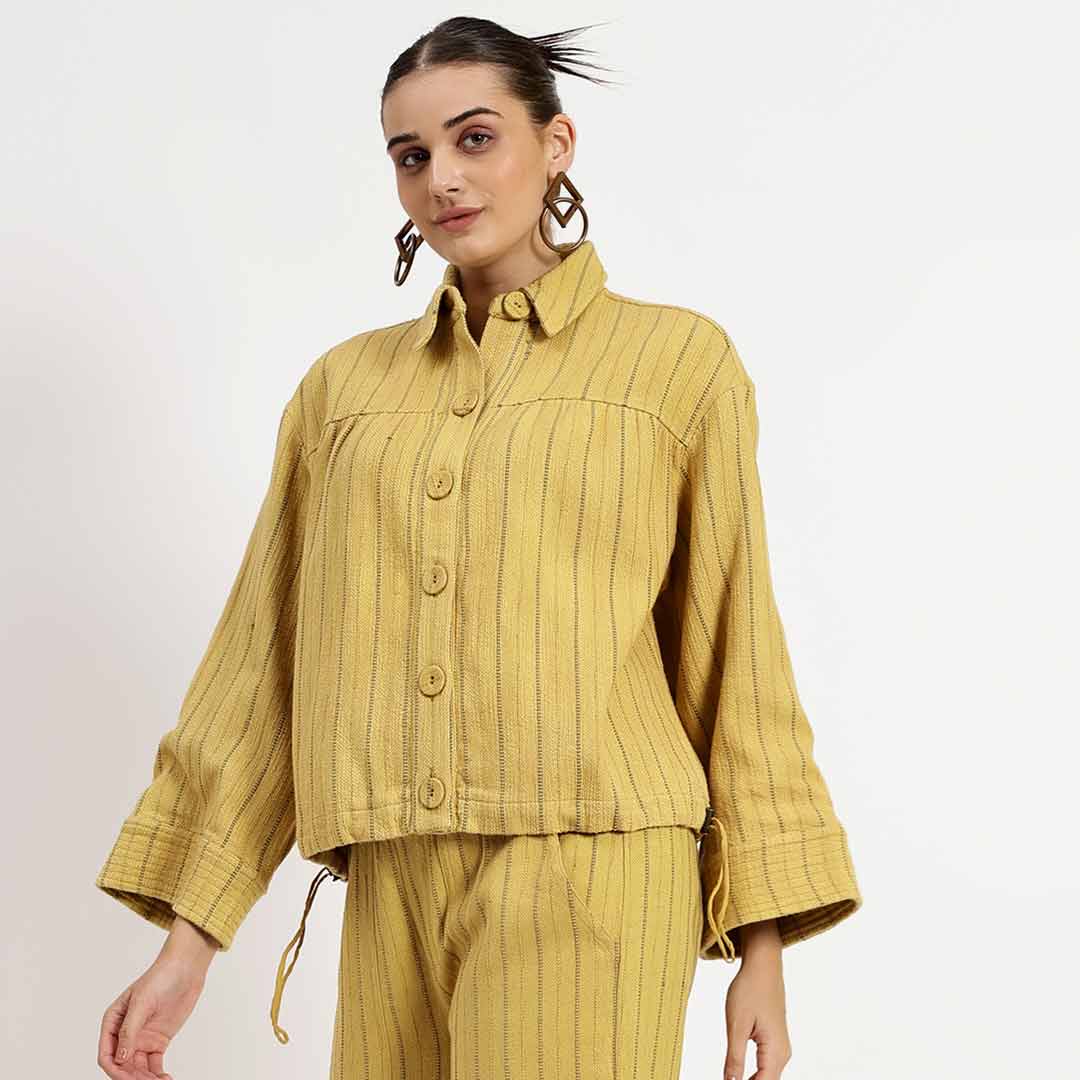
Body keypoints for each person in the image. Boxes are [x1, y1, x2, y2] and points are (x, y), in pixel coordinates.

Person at [95, 16, 863, 1080]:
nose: (441, 179)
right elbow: (262, 667)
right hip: (393, 880)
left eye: (475, 139)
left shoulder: (677, 364)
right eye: (410, 156)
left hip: (596, 870)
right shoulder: (342, 391)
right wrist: (190, 943)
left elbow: (735, 657)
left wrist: (760, 948)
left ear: (556, 144)